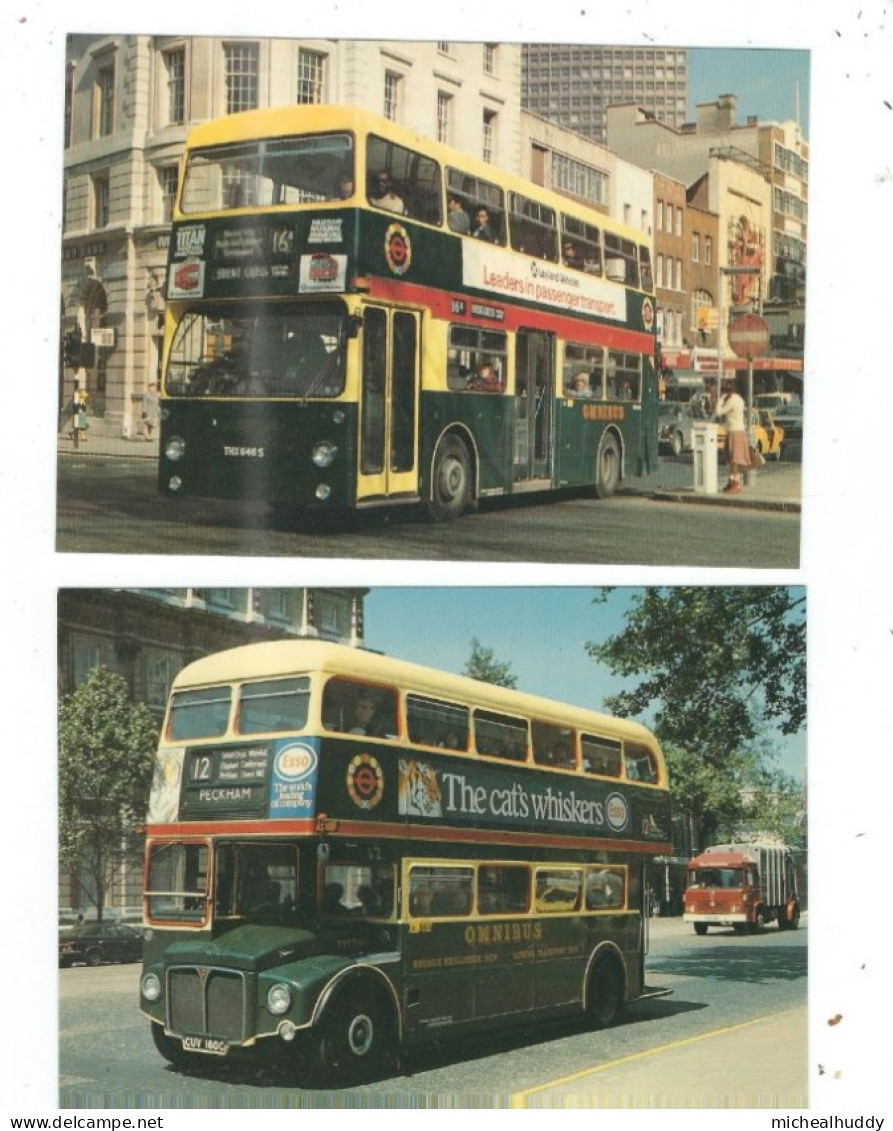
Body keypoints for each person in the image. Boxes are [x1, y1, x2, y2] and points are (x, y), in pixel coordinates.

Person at [714, 378, 749, 494]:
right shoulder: (739, 399)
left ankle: (736, 484)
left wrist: (720, 400)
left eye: (725, 391)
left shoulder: (732, 401)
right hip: (736, 430)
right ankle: (732, 481)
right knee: (731, 459)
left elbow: (719, 412)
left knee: (734, 459)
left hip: (735, 431)